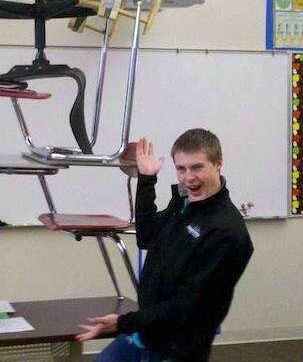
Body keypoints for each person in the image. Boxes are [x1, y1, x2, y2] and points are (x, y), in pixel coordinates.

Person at [77, 129, 254, 361]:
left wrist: (123, 323)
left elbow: (187, 305)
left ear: (218, 163)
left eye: (197, 167)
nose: (188, 178)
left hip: (176, 347)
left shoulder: (226, 232)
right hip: (146, 331)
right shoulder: (184, 203)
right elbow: (146, 236)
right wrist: (146, 178)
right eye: (181, 168)